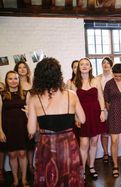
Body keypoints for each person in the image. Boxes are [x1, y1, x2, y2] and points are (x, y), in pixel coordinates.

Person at [27, 57, 85, 186]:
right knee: (70, 179)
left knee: (49, 180)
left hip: (46, 147)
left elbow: (31, 130)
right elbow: (82, 119)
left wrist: (30, 114)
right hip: (68, 145)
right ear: (58, 74)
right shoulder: (71, 95)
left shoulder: (34, 98)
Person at [74, 58, 107, 180]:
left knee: (94, 141)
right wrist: (76, 116)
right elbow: (73, 102)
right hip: (82, 114)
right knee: (84, 143)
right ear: (78, 67)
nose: (84, 66)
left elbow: (101, 98)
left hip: (95, 113)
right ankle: (82, 169)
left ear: (90, 67)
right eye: (81, 64)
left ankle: (92, 166)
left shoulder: (95, 80)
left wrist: (102, 111)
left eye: (86, 64)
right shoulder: (74, 83)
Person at [0, 71, 29, 186]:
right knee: (12, 154)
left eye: (15, 78)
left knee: (22, 153)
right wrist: (0, 131)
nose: (13, 81)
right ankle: (16, 179)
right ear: (6, 80)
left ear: (19, 80)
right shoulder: (2, 95)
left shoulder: (25, 94)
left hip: (22, 127)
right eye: (10, 78)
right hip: (8, 128)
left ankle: (24, 179)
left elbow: (29, 112)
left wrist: (30, 128)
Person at [14, 61, 35, 175]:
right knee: (20, 144)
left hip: (31, 115)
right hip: (18, 117)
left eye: (24, 67)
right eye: (19, 68)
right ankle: (22, 169)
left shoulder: (32, 84)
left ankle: (31, 166)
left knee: (30, 144)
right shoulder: (14, 84)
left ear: (27, 70)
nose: (22, 69)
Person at [96, 57, 114, 164]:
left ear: (111, 65)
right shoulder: (97, 78)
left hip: (113, 107)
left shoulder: (114, 77)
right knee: (104, 132)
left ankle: (113, 152)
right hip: (102, 107)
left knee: (113, 132)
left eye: (108, 63)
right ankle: (106, 153)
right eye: (104, 63)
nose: (106, 65)